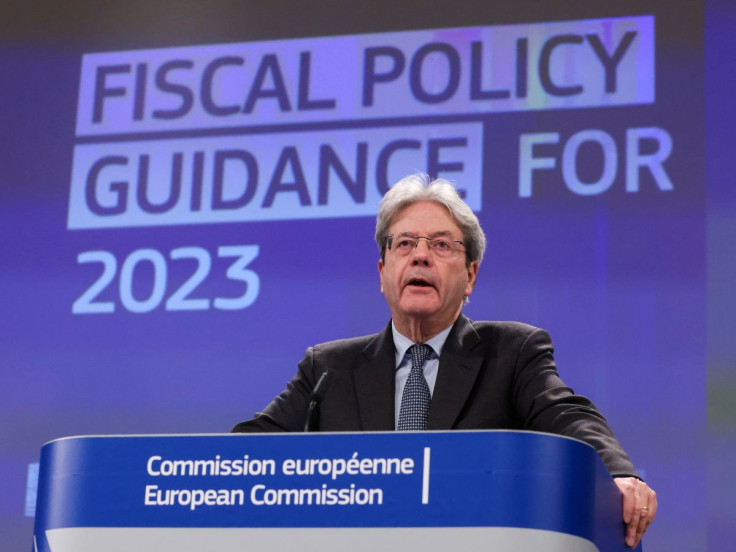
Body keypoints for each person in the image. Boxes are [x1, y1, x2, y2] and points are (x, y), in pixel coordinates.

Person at [232, 173, 657, 548]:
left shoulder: (512, 353)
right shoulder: (327, 368)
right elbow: (248, 451)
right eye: (405, 244)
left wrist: (620, 473)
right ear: (382, 272)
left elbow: (566, 413)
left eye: (440, 245)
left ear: (470, 275)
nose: (420, 256)